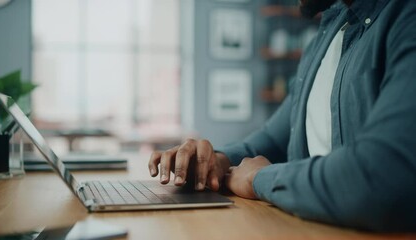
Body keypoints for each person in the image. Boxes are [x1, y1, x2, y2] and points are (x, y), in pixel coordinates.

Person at [148, 0, 416, 232]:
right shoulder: (325, 37)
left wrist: (258, 179)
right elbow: (274, 139)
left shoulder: (405, 18)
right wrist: (216, 160)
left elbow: (383, 177)